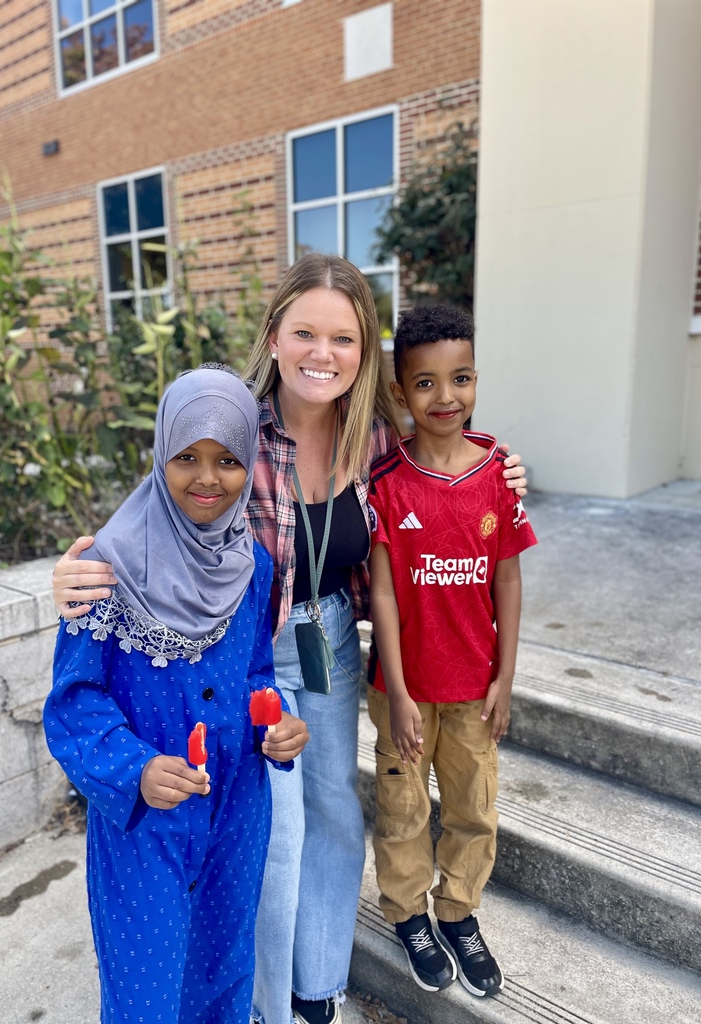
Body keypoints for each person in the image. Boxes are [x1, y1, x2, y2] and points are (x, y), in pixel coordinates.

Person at [50, 254, 528, 1024]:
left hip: (329, 636)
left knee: (336, 813)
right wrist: (76, 572)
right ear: (274, 336)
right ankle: (264, 1002)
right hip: (244, 646)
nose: (323, 353)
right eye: (305, 333)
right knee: (276, 830)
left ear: (365, 352)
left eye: (344, 338)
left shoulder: (375, 437)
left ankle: (317, 986)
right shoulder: (236, 421)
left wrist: (504, 474)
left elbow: (449, 460)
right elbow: (163, 501)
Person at [44, 366, 309, 1024]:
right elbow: (75, 704)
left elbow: (255, 674)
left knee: (222, 970)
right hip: (146, 822)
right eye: (187, 456)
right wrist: (135, 768)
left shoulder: (253, 566)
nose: (207, 478)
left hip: (237, 806)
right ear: (161, 452)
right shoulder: (104, 568)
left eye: (228, 460)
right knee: (146, 988)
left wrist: (276, 725)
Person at [367, 304, 537, 1001]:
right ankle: (409, 914)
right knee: (403, 809)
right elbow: (381, 594)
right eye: (426, 383)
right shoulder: (386, 482)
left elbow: (508, 580)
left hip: (475, 687)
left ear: (475, 379)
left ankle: (459, 912)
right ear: (401, 392)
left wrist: (506, 678)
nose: (446, 397)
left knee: (473, 807)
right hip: (403, 691)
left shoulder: (498, 475)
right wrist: (399, 693)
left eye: (460, 378)